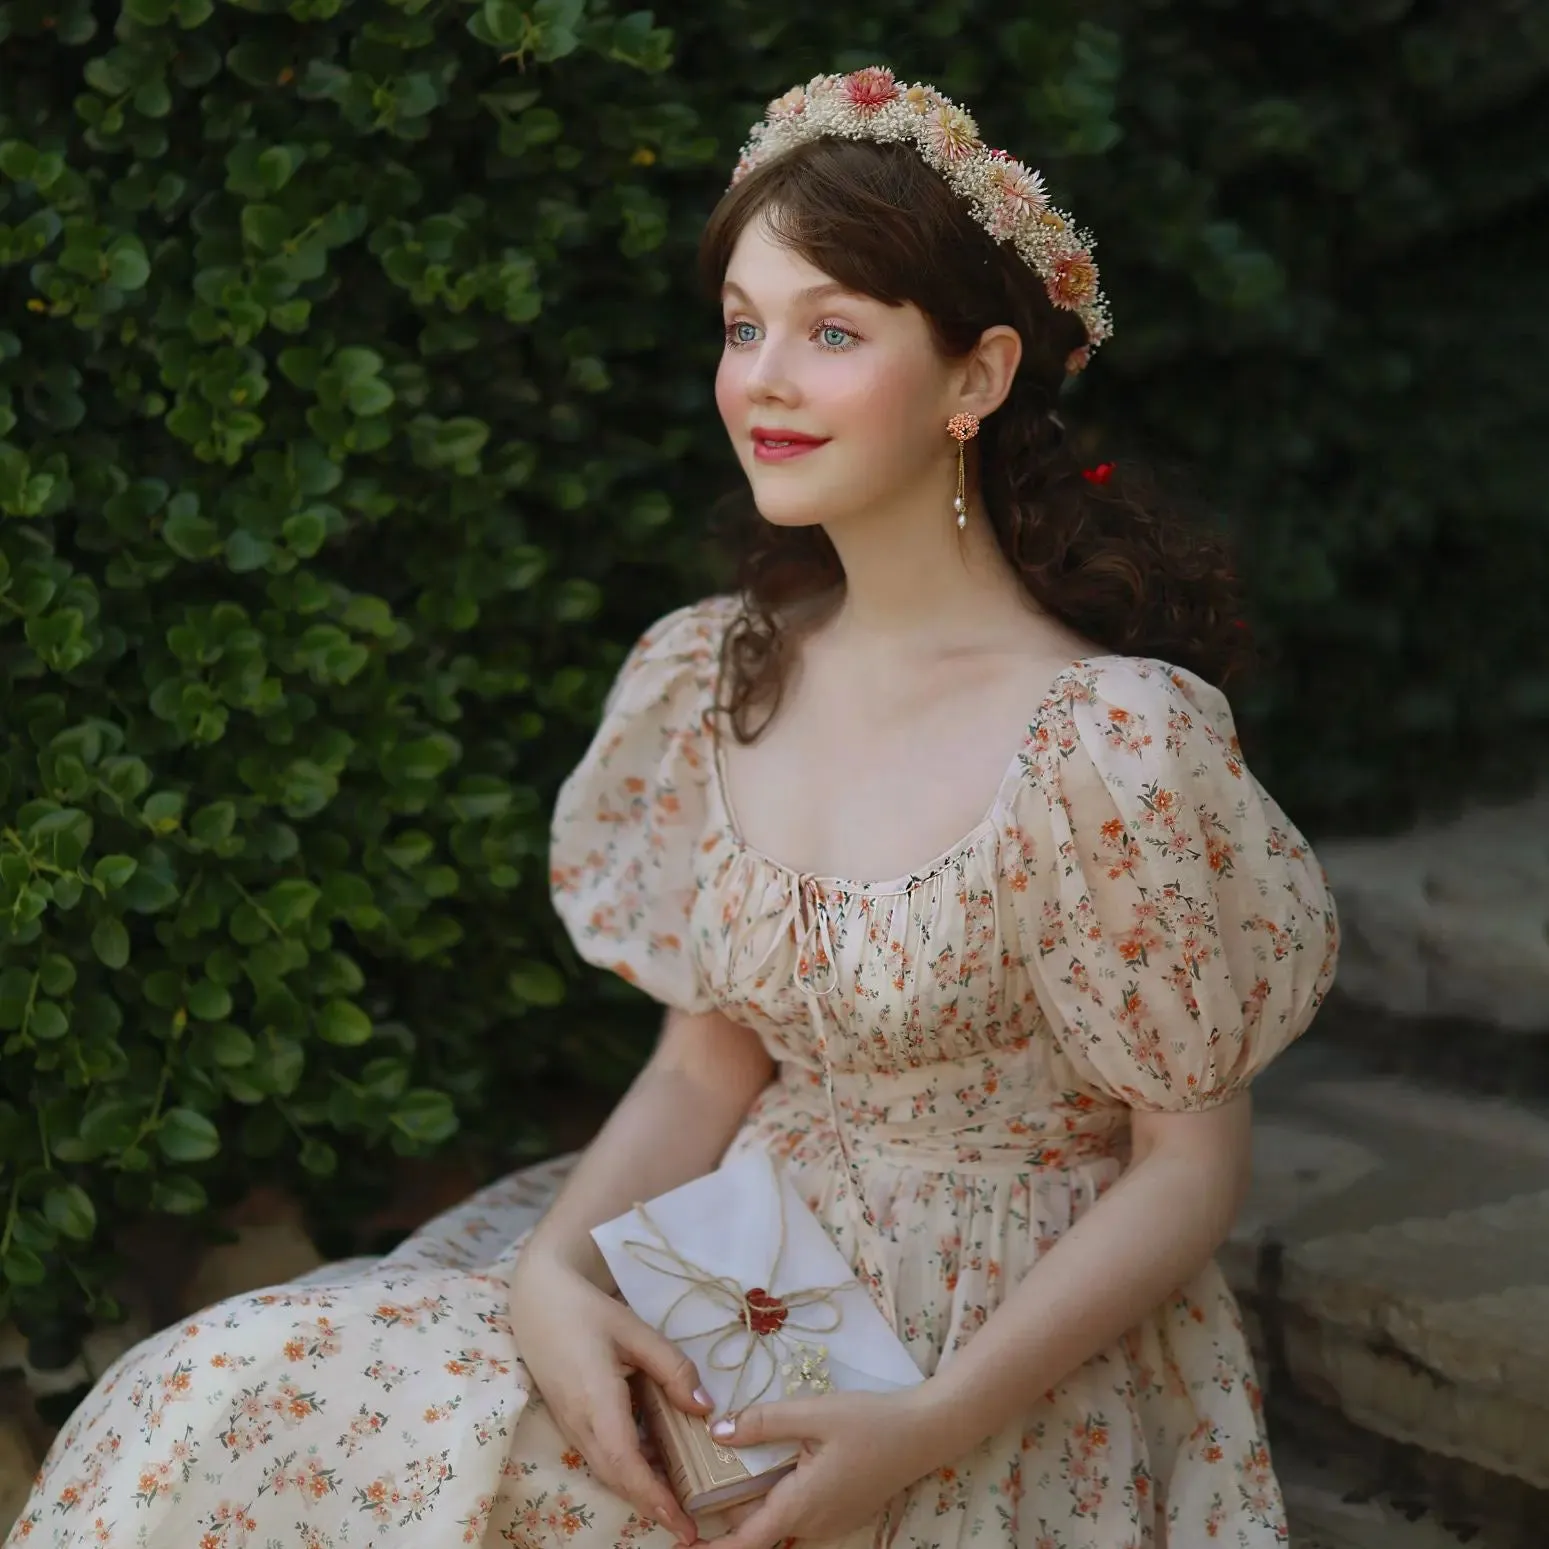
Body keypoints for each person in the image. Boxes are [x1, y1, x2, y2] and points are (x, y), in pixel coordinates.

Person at [7, 68, 1339, 1549]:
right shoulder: (721, 673)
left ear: (976, 377)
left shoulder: (1109, 740)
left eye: (833, 331)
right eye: (742, 327)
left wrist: (923, 1427)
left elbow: (1187, 1172)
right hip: (738, 1261)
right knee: (217, 1394)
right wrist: (554, 1283)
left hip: (990, 1334)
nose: (763, 376)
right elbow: (706, 1065)